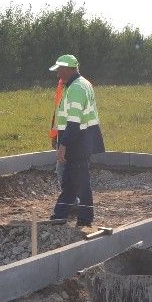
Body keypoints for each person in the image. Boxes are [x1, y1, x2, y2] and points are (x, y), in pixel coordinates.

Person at [49, 54, 104, 228]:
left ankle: (84, 219)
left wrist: (63, 145)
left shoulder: (76, 88)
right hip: (81, 138)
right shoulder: (78, 84)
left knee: (80, 181)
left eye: (60, 70)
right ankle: (61, 215)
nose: (58, 73)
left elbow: (74, 121)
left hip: (78, 140)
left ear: (67, 69)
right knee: (72, 179)